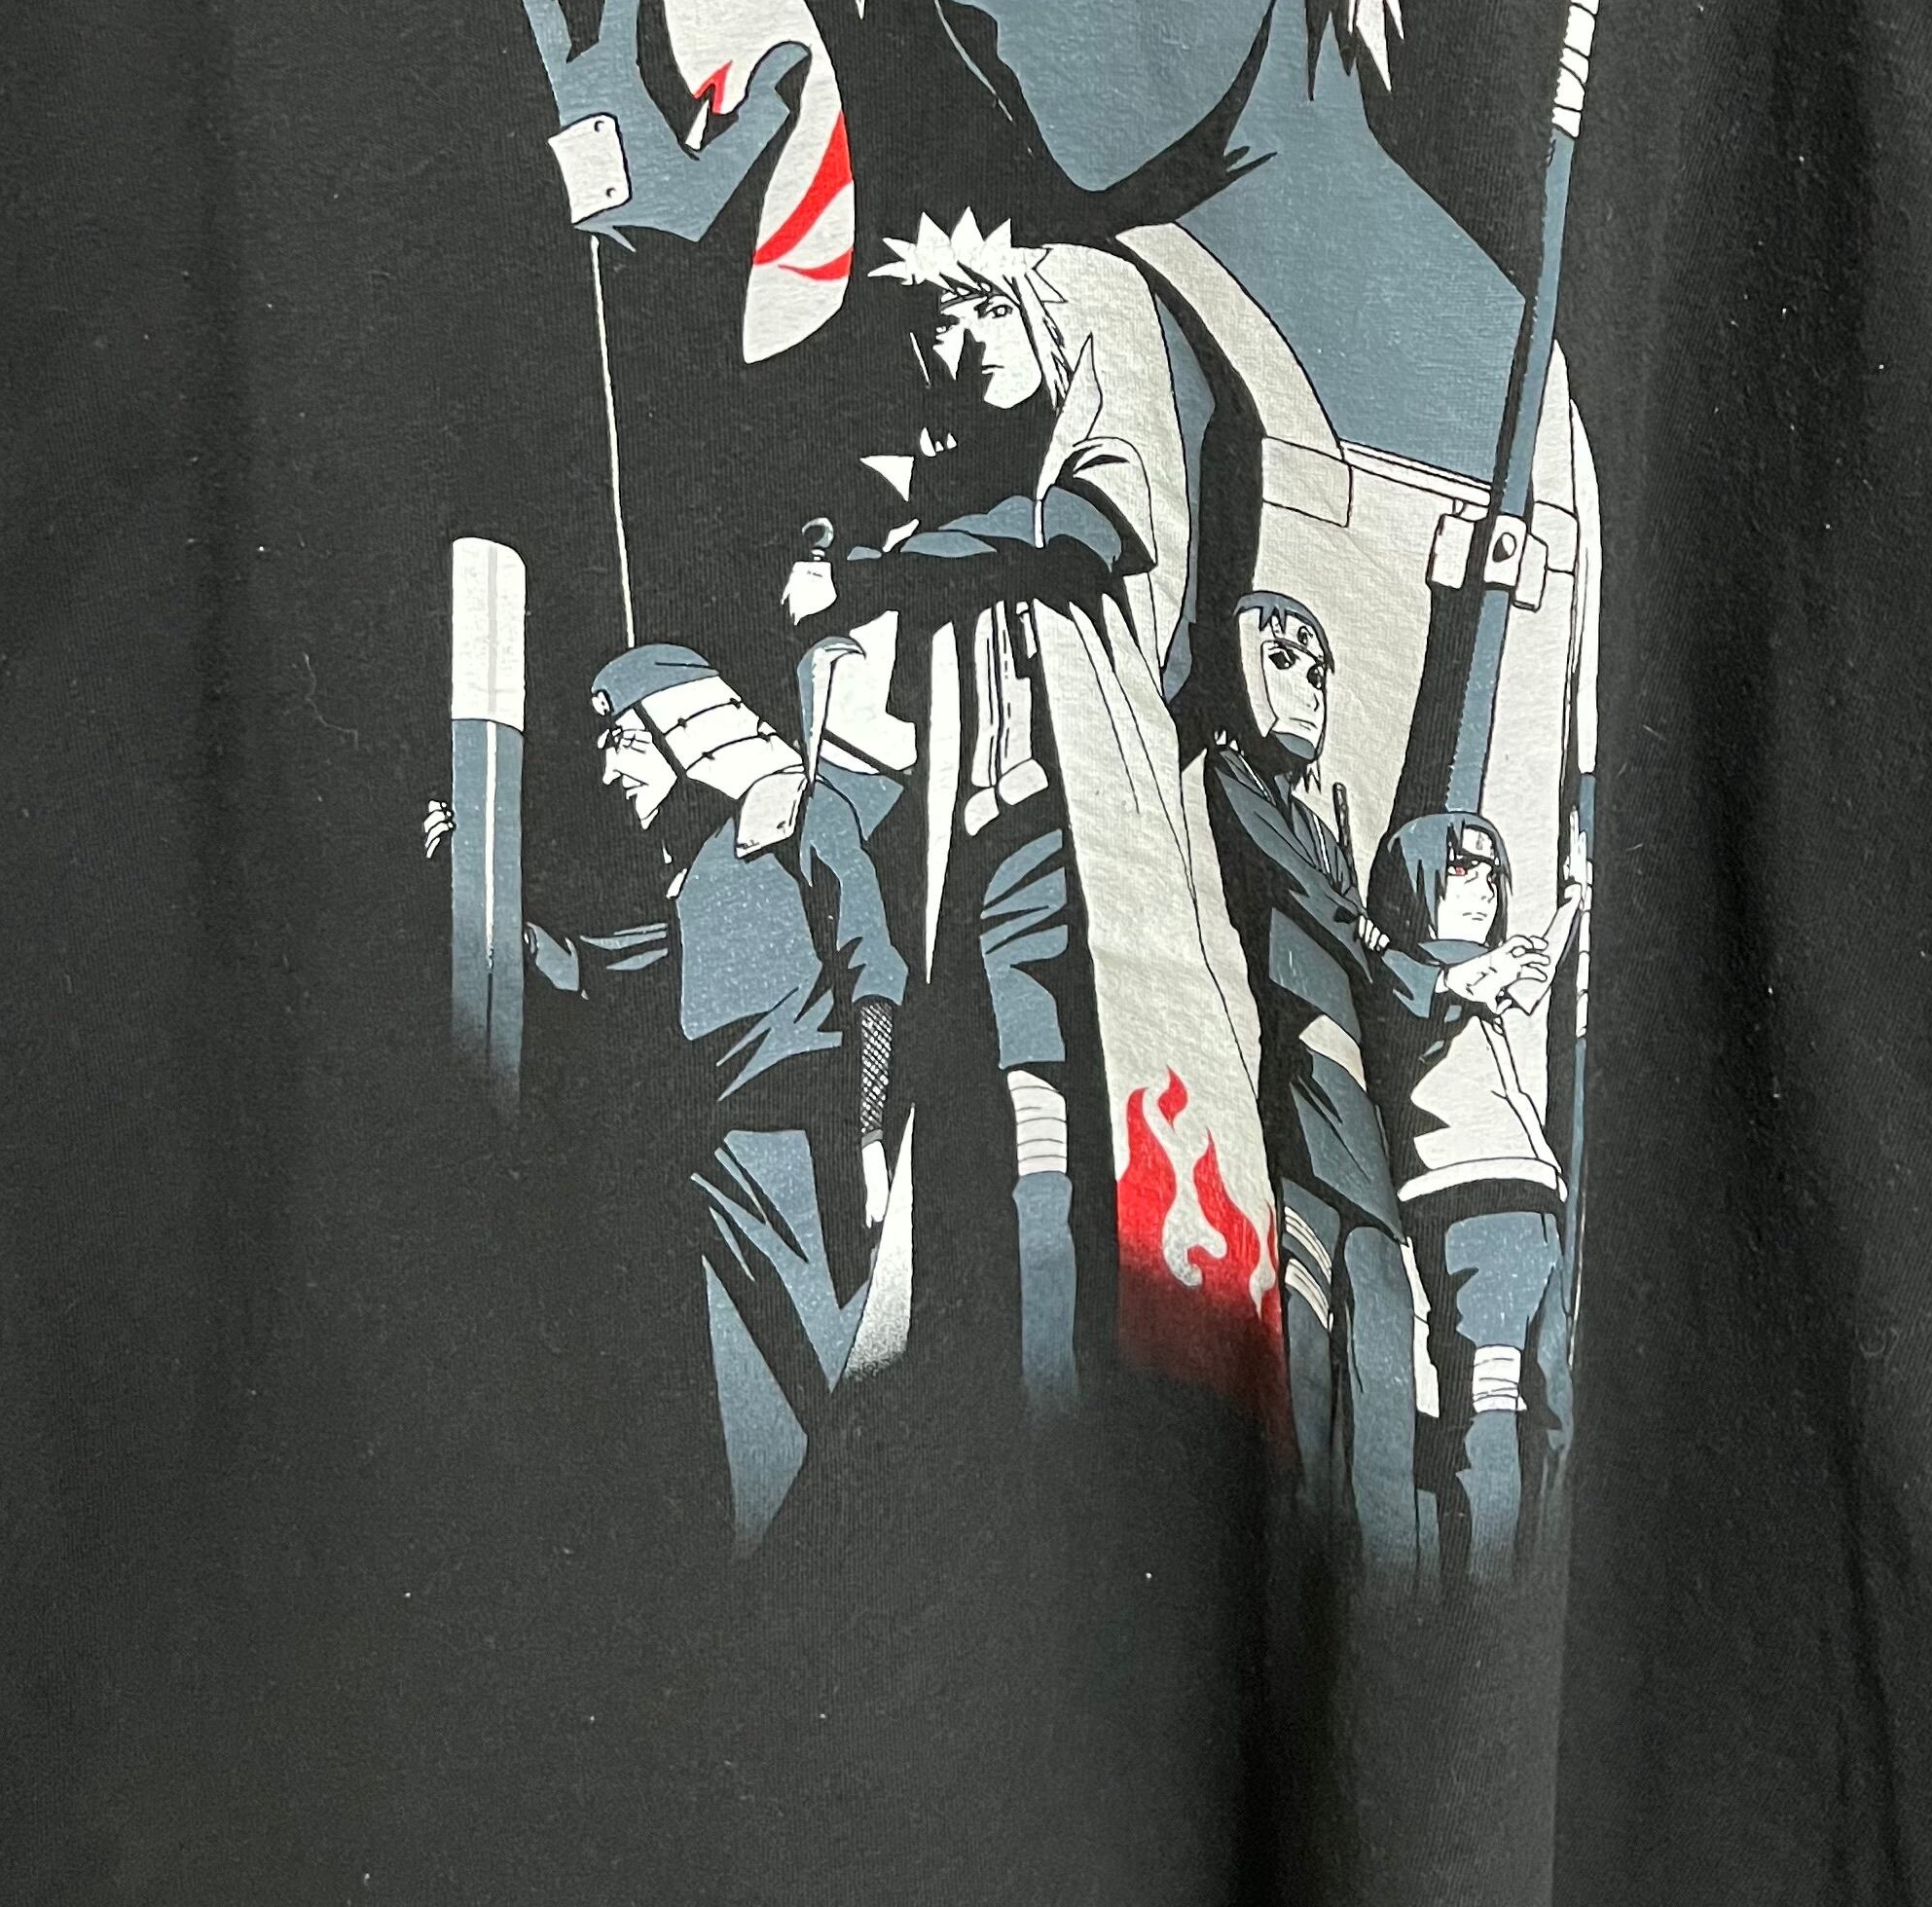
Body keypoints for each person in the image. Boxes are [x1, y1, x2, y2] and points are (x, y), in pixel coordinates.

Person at [785, 214, 1275, 1425]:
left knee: (1140, 1137)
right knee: (1033, 1132)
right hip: (996, 854)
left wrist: (872, 575)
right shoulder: (951, 530)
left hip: (1096, 841)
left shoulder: (1080, 479)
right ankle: (1046, 1399)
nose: (966, 340)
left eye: (989, 307)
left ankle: (1147, 1407)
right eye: (944, 321)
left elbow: (1088, 533)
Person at [516, 642, 905, 1549]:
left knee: (847, 1384)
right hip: (724, 1169)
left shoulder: (804, 811)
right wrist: (476, 878)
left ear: (682, 724)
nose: (609, 772)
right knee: (763, 1436)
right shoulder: (697, 873)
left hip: (807, 1137)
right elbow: (596, 967)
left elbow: (871, 967)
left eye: (623, 740)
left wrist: (868, 1136)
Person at [1202, 594, 1419, 1578]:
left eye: (1318, 670)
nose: (1307, 687)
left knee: (1376, 1291)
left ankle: (1378, 1549)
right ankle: (1308, 1528)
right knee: (1313, 1284)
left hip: (1347, 1082)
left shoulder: (1323, 822)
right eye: (1283, 660)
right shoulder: (1235, 777)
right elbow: (1295, 891)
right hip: (1298, 1057)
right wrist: (1365, 935)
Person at [1363, 813, 1576, 1589]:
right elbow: (1454, 982)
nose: (1482, 891)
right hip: (1471, 1206)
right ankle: (1482, 1601)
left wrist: (1571, 904)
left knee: (1554, 1408)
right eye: (1460, 873)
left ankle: (1529, 1587)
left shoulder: (1474, 968)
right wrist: (1486, 968)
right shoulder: (1404, 970)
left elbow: (1529, 972)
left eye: (1490, 876)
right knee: (1489, 1407)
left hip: (1531, 1202)